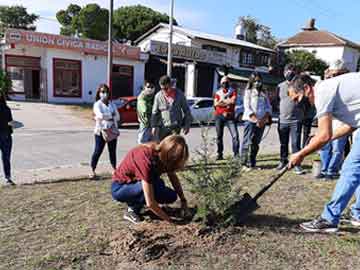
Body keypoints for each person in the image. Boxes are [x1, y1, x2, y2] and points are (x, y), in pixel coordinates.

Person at [288, 72, 360, 233]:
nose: (297, 104)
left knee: (351, 168)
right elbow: (351, 125)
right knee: (356, 170)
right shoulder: (331, 88)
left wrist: (300, 154)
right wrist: (325, 138)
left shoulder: (322, 92)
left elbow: (324, 134)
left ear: (307, 88)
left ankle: (329, 219)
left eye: (297, 99)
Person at [111, 135, 190, 224]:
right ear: (168, 157)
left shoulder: (162, 151)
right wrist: (170, 221)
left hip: (139, 182)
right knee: (145, 189)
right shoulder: (145, 158)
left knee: (171, 196)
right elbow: (150, 203)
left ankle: (140, 203)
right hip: (120, 187)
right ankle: (132, 209)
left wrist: (183, 200)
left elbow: (173, 176)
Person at [317, 60, 350, 180]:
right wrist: (326, 77)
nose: (335, 77)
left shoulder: (348, 85)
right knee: (325, 147)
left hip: (341, 123)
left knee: (337, 149)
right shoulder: (327, 84)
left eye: (337, 74)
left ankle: (331, 171)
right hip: (328, 121)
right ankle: (325, 169)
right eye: (333, 74)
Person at [276, 64, 305, 174]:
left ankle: (297, 164)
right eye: (287, 71)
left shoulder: (299, 85)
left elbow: (304, 101)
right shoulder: (280, 86)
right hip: (283, 120)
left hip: (295, 120)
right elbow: (277, 101)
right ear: (284, 72)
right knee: (283, 143)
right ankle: (283, 161)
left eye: (292, 71)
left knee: (295, 143)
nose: (289, 73)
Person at [241, 72, 272, 171]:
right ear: (252, 81)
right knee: (247, 142)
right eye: (255, 81)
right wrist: (256, 119)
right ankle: (244, 164)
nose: (258, 83)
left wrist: (264, 119)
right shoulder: (248, 91)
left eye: (259, 81)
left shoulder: (264, 92)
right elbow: (247, 107)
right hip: (250, 120)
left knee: (256, 143)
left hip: (262, 121)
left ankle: (252, 163)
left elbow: (268, 106)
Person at [90, 84, 120, 180]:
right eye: (102, 92)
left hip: (112, 130)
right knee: (98, 151)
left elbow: (118, 117)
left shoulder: (112, 104)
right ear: (99, 93)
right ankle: (92, 170)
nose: (104, 94)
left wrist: (108, 116)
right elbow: (100, 115)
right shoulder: (97, 104)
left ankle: (114, 169)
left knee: (112, 151)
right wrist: (111, 115)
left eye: (106, 92)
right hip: (100, 131)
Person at [151, 75, 192, 141]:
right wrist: (154, 126)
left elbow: (187, 110)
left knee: (174, 147)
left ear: (170, 85)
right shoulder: (158, 96)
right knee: (163, 148)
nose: (164, 91)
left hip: (175, 128)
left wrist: (187, 125)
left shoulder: (179, 94)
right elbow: (154, 113)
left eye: (166, 89)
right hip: (163, 128)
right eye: (162, 89)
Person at [214, 76, 240, 160]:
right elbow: (215, 104)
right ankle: (219, 154)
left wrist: (221, 101)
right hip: (219, 116)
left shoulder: (233, 91)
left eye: (227, 82)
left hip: (230, 116)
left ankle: (236, 155)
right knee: (219, 136)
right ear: (221, 83)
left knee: (235, 136)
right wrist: (227, 102)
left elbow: (233, 101)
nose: (225, 84)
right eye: (223, 82)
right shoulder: (218, 92)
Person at [0, 92, 15, 186]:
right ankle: (8, 177)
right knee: (6, 158)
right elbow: (11, 123)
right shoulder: (6, 109)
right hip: (5, 135)